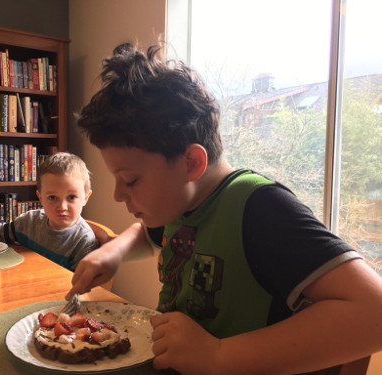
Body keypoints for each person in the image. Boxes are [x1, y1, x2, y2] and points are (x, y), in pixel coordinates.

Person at [66, 43, 382, 374]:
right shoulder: (179, 203)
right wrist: (113, 253)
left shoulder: (258, 208)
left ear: (191, 163)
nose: (118, 195)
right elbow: (147, 234)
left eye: (130, 180)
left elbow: (374, 312)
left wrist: (217, 354)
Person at [0, 152, 99, 271]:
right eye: (52, 197)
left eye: (71, 197)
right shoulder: (29, 222)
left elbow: (79, 289)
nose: (62, 206)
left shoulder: (84, 242)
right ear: (40, 198)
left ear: (86, 197)